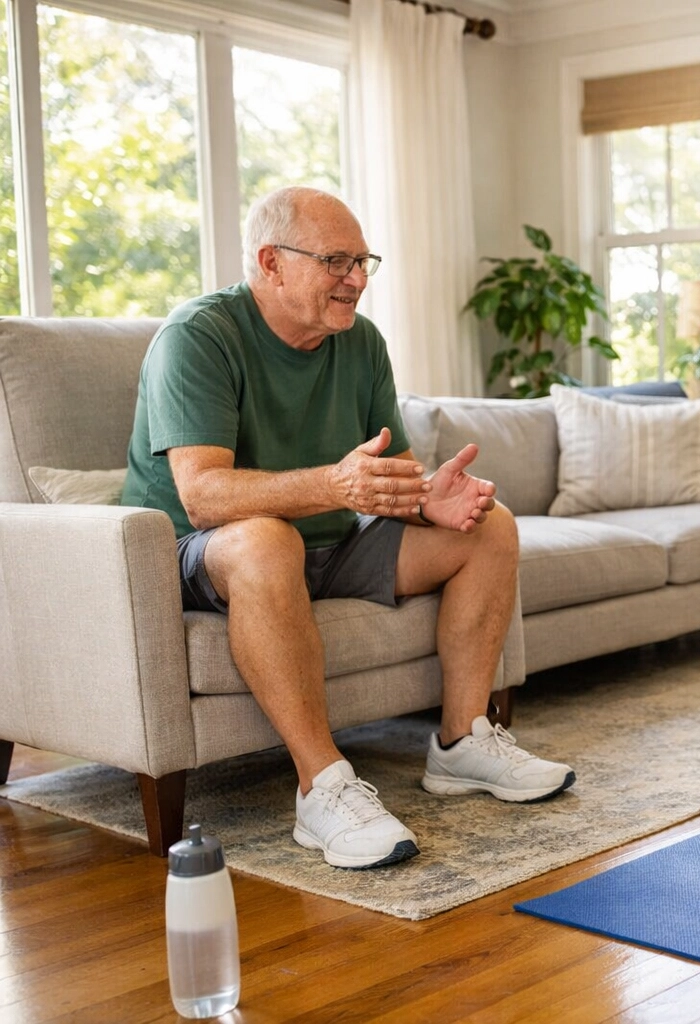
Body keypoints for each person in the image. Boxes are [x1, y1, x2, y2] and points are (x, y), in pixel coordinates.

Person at [122, 186, 574, 870]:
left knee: (490, 527)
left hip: (328, 542)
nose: (357, 280)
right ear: (271, 263)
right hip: (201, 549)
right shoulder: (199, 336)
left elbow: (382, 477)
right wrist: (333, 484)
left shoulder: (360, 342)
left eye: (363, 261)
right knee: (268, 536)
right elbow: (205, 495)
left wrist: (429, 500)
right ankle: (322, 785)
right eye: (337, 260)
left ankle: (462, 742)